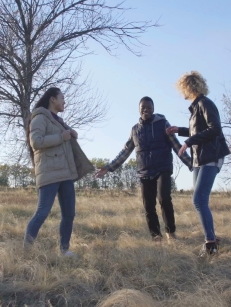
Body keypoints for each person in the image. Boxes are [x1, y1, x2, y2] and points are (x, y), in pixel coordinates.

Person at [95, 97, 192, 241]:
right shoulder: (135, 130)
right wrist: (108, 168)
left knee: (164, 198)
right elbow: (125, 152)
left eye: (149, 107)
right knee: (148, 205)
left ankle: (171, 233)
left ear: (153, 109)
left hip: (162, 168)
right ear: (139, 109)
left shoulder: (163, 124)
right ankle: (156, 237)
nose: (146, 109)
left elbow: (176, 145)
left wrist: (191, 164)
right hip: (144, 172)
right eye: (143, 107)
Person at [166, 71, 231, 256]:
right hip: (200, 158)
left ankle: (210, 244)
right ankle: (212, 238)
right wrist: (181, 130)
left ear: (189, 86)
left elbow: (215, 129)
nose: (181, 92)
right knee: (200, 200)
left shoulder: (205, 103)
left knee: (198, 200)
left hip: (212, 155)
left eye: (182, 88)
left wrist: (188, 142)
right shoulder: (195, 107)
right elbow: (198, 130)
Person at [24, 87, 94, 256]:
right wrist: (61, 137)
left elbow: (65, 135)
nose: (64, 101)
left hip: (65, 174)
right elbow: (36, 142)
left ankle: (64, 250)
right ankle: (26, 250)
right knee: (42, 212)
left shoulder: (59, 120)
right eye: (62, 97)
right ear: (52, 99)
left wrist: (71, 132)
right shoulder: (39, 117)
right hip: (49, 172)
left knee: (69, 214)